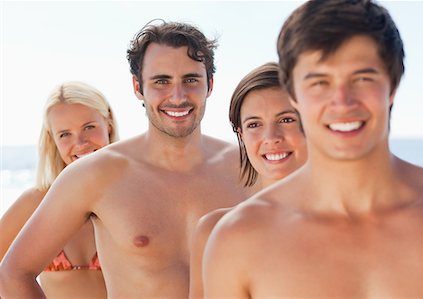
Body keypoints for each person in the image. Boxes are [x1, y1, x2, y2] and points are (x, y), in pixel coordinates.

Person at [203, 0, 423, 298]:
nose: (342, 102)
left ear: (393, 85)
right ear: (294, 94)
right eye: (320, 82)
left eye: (362, 78)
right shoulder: (239, 239)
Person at [0, 21, 253, 298]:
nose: (178, 96)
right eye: (161, 81)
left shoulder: (247, 168)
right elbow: (14, 272)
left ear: (210, 84)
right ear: (138, 87)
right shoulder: (96, 175)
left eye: (191, 79)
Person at [189, 62, 307, 298]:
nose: (271, 137)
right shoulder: (215, 230)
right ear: (241, 134)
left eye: (286, 120)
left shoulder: (357, 224)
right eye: (254, 124)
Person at [0, 81, 118, 298]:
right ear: (52, 139)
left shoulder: (133, 196)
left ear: (108, 123)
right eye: (65, 134)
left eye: (89, 127)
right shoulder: (35, 203)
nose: (80, 142)